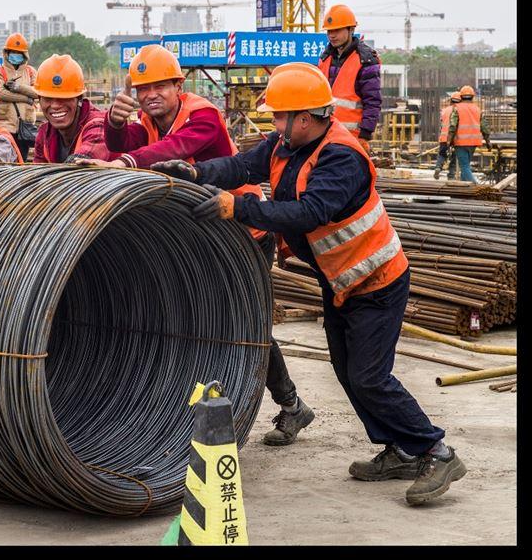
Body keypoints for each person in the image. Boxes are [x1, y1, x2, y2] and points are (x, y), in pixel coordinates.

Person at [151, 63, 467, 506]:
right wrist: (197, 174)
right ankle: (398, 450)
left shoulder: (341, 156)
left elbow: (309, 213)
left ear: (305, 117)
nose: (274, 124)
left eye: (280, 116)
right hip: (341, 281)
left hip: (377, 282)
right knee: (346, 370)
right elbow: (243, 163)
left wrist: (237, 207)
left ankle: (437, 451)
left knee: (369, 376)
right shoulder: (287, 144)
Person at [80, 44, 315, 446]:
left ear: (179, 84)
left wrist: (125, 163)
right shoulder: (150, 120)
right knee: (196, 318)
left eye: (159, 86)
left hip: (243, 230)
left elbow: (172, 151)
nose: (150, 94)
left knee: (247, 322)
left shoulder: (202, 114)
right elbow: (127, 143)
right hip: (201, 236)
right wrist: (115, 126)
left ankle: (291, 406)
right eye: (142, 88)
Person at [31, 53, 118, 164]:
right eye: (48, 98)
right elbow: (37, 173)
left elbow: (83, 161)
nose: (55, 105)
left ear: (79, 99)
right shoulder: (44, 134)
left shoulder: (99, 125)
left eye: (64, 98)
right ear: (39, 99)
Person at [319, 4, 382, 156]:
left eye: (337, 30)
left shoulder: (365, 60)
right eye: (329, 31)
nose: (332, 35)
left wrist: (365, 135)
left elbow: (372, 101)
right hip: (325, 135)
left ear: (350, 30)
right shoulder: (325, 58)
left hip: (351, 138)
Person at [0, 32, 38, 160]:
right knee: (3, 157)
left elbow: (38, 92)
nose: (15, 55)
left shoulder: (30, 72)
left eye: (19, 53)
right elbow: (1, 93)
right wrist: (26, 98)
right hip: (4, 125)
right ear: (6, 53)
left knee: (21, 159)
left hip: (25, 126)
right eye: (12, 52)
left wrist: (18, 88)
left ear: (24, 55)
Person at [446, 85, 492, 183]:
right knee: (466, 165)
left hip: (461, 142)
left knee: (464, 167)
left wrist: (449, 140)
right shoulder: (477, 109)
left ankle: (476, 187)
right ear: (473, 96)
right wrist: (488, 142)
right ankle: (464, 188)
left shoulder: (457, 108)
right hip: (473, 142)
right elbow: (485, 127)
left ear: (461, 96)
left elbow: (453, 126)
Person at [433, 92, 461, 180]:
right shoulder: (460, 110)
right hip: (455, 138)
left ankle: (438, 167)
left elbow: (442, 122)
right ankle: (451, 174)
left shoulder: (445, 110)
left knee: (442, 154)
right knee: (455, 155)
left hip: (444, 137)